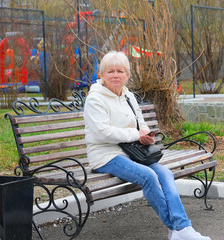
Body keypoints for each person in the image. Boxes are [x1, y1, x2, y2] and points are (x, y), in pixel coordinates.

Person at [84, 51, 211, 240]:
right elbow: (103, 132)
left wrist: (145, 135)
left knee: (165, 173)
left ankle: (180, 229)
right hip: (106, 155)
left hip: (132, 152)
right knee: (149, 176)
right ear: (102, 75)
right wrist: (136, 134)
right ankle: (179, 229)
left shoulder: (128, 96)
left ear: (127, 75)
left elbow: (140, 123)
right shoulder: (95, 98)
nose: (116, 75)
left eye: (120, 71)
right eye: (110, 71)